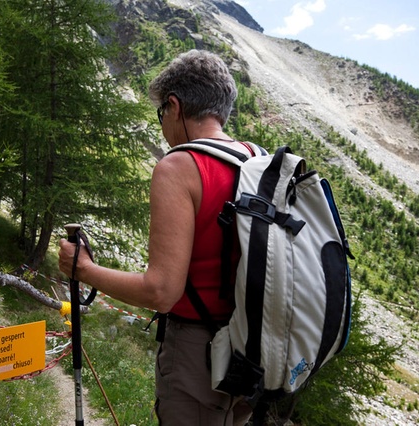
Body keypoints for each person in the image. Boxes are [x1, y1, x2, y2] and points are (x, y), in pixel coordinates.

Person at [59, 49, 255, 425]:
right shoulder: (254, 160)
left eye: (161, 113)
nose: (163, 125)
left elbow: (160, 292)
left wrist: (82, 269)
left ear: (175, 106)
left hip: (199, 356)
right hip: (252, 351)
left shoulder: (180, 166)